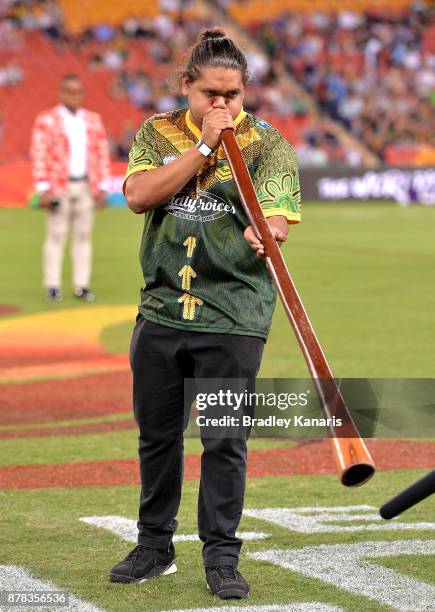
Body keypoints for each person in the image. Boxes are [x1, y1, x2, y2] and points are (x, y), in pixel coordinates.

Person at [110, 29, 301, 599]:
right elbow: (140, 196)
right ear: (186, 86)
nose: (223, 105)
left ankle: (221, 555)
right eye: (212, 93)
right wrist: (204, 149)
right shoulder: (157, 131)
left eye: (234, 94)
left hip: (234, 312)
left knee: (224, 440)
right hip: (163, 306)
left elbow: (279, 218)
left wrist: (265, 230)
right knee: (158, 435)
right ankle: (154, 544)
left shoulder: (269, 143)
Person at [30, 74, 111, 302]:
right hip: (59, 186)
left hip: (86, 184)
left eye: (78, 92)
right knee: (56, 235)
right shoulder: (47, 120)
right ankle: (52, 285)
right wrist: (43, 187)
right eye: (69, 91)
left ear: (82, 94)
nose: (74, 96)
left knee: (83, 236)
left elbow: (101, 152)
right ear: (62, 92)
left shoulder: (93, 120)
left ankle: (82, 285)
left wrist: (103, 185)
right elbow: (39, 153)